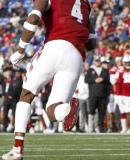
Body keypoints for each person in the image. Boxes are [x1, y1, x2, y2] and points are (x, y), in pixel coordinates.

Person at [2, 0, 96, 159]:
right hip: (76, 56)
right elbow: (92, 44)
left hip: (55, 46)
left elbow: (32, 19)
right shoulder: (85, 3)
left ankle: (17, 149)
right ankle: (65, 110)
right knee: (54, 111)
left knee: (26, 95)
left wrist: (19, 51)